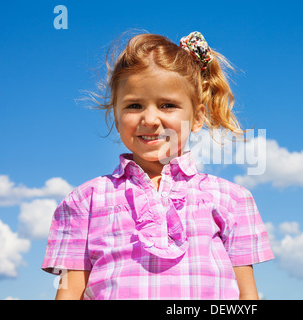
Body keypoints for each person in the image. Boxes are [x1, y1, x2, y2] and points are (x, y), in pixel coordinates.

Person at [41, 31, 274, 300]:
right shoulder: (84, 201)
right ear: (115, 117)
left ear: (197, 117)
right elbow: (68, 293)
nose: (150, 119)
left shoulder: (233, 200)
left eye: (167, 105)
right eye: (134, 105)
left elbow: (248, 297)